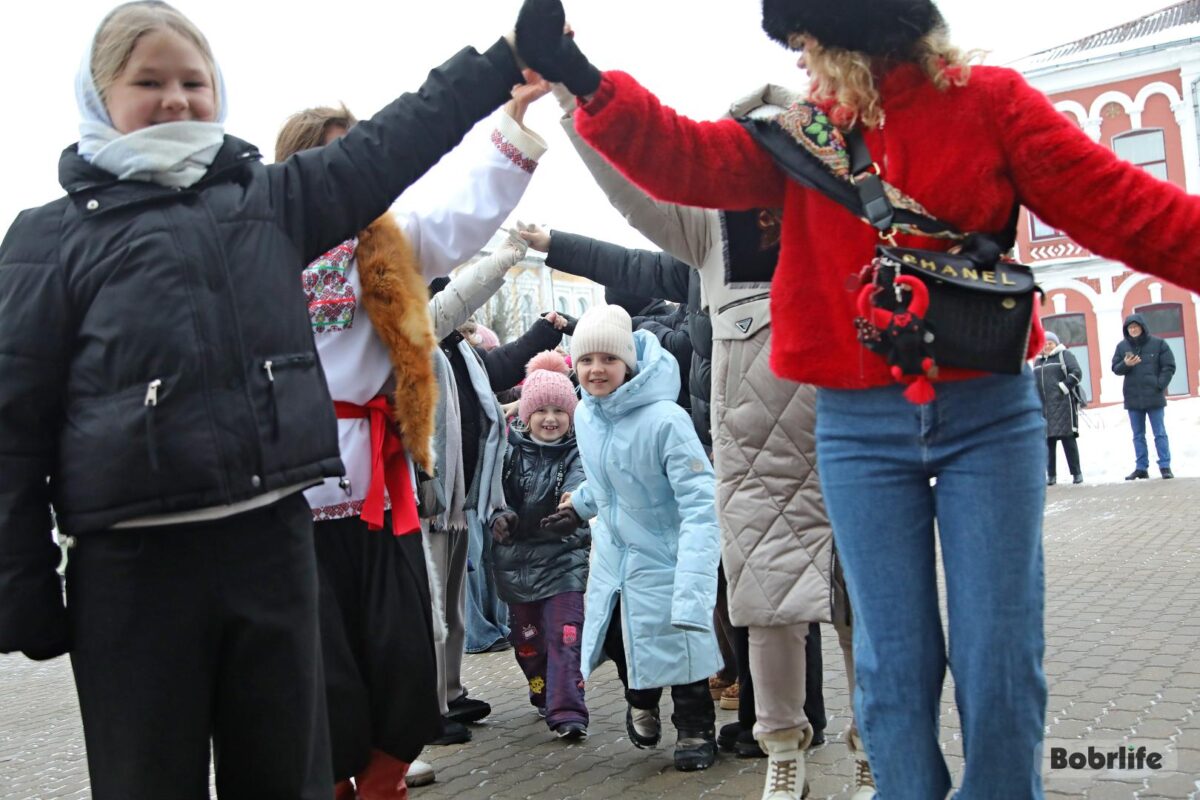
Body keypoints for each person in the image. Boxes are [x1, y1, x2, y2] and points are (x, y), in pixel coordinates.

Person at [513, 0, 1200, 796]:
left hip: (986, 412)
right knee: (892, 656)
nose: (801, 65)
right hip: (857, 424)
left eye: (808, 45)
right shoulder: (805, 134)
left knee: (998, 649)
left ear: (855, 40)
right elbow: (683, 158)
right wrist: (580, 78)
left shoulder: (992, 104)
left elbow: (1125, 208)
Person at [0, 1, 531, 797]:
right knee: (149, 780)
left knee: (290, 776)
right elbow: (12, 426)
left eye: (193, 80)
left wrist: (502, 62)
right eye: (149, 81)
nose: (176, 99)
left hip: (272, 550)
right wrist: (24, 589)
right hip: (134, 574)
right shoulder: (46, 241)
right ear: (97, 95)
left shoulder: (267, 204)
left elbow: (396, 141)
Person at [543, 83, 868, 800]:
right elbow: (632, 193)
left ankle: (874, 743)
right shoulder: (711, 230)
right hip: (756, 456)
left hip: (857, 436)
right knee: (766, 608)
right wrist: (574, 110)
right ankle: (784, 749)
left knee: (866, 606)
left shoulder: (847, 206)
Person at [274, 81, 550, 798]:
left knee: (402, 666)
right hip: (291, 503)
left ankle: (384, 781)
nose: (352, 178)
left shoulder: (391, 246)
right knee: (321, 680)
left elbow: (463, 214)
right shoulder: (259, 256)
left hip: (378, 493)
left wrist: (513, 122)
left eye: (360, 159)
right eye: (334, 162)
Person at [555, 305, 722, 772]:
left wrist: (693, 575)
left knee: (680, 643)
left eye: (608, 359)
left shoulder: (666, 419)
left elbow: (698, 500)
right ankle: (640, 699)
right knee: (621, 638)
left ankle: (694, 727)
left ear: (627, 363)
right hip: (614, 556)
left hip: (665, 553)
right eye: (586, 359)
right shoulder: (587, 416)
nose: (595, 369)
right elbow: (610, 482)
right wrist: (580, 505)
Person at [490, 351, 591, 740]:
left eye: (559, 411)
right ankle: (543, 691)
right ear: (526, 415)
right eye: (541, 410)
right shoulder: (508, 450)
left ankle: (568, 711)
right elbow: (494, 494)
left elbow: (579, 482)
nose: (550, 418)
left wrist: (573, 507)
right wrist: (501, 517)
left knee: (565, 635)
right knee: (528, 644)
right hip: (517, 563)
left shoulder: (577, 450)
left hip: (564, 558)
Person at [1112, 314, 1176, 480]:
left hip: (1154, 396)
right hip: (1133, 396)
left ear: (1142, 327)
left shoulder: (1159, 344)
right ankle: (1141, 467)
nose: (1133, 330)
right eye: (1129, 328)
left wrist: (1159, 384)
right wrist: (1126, 364)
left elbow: (1169, 366)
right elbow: (1115, 369)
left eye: (1135, 327)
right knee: (1138, 435)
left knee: (1159, 432)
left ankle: (1165, 466)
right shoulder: (1121, 347)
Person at [1034, 332, 1084, 486]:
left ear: (1056, 344)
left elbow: (1077, 372)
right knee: (1048, 443)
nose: (1047, 346)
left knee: (1068, 440)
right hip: (1044, 407)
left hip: (1063, 405)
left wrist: (1063, 387)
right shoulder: (1038, 361)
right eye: (1044, 343)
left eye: (1050, 343)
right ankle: (1051, 475)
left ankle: (1076, 473)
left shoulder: (1064, 355)